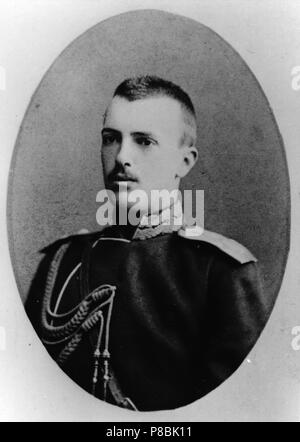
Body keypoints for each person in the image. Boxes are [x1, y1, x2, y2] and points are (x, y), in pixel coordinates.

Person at [26, 75, 268, 411]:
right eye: (111, 139)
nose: (122, 156)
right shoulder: (62, 262)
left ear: (184, 162)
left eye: (144, 141)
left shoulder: (219, 270)